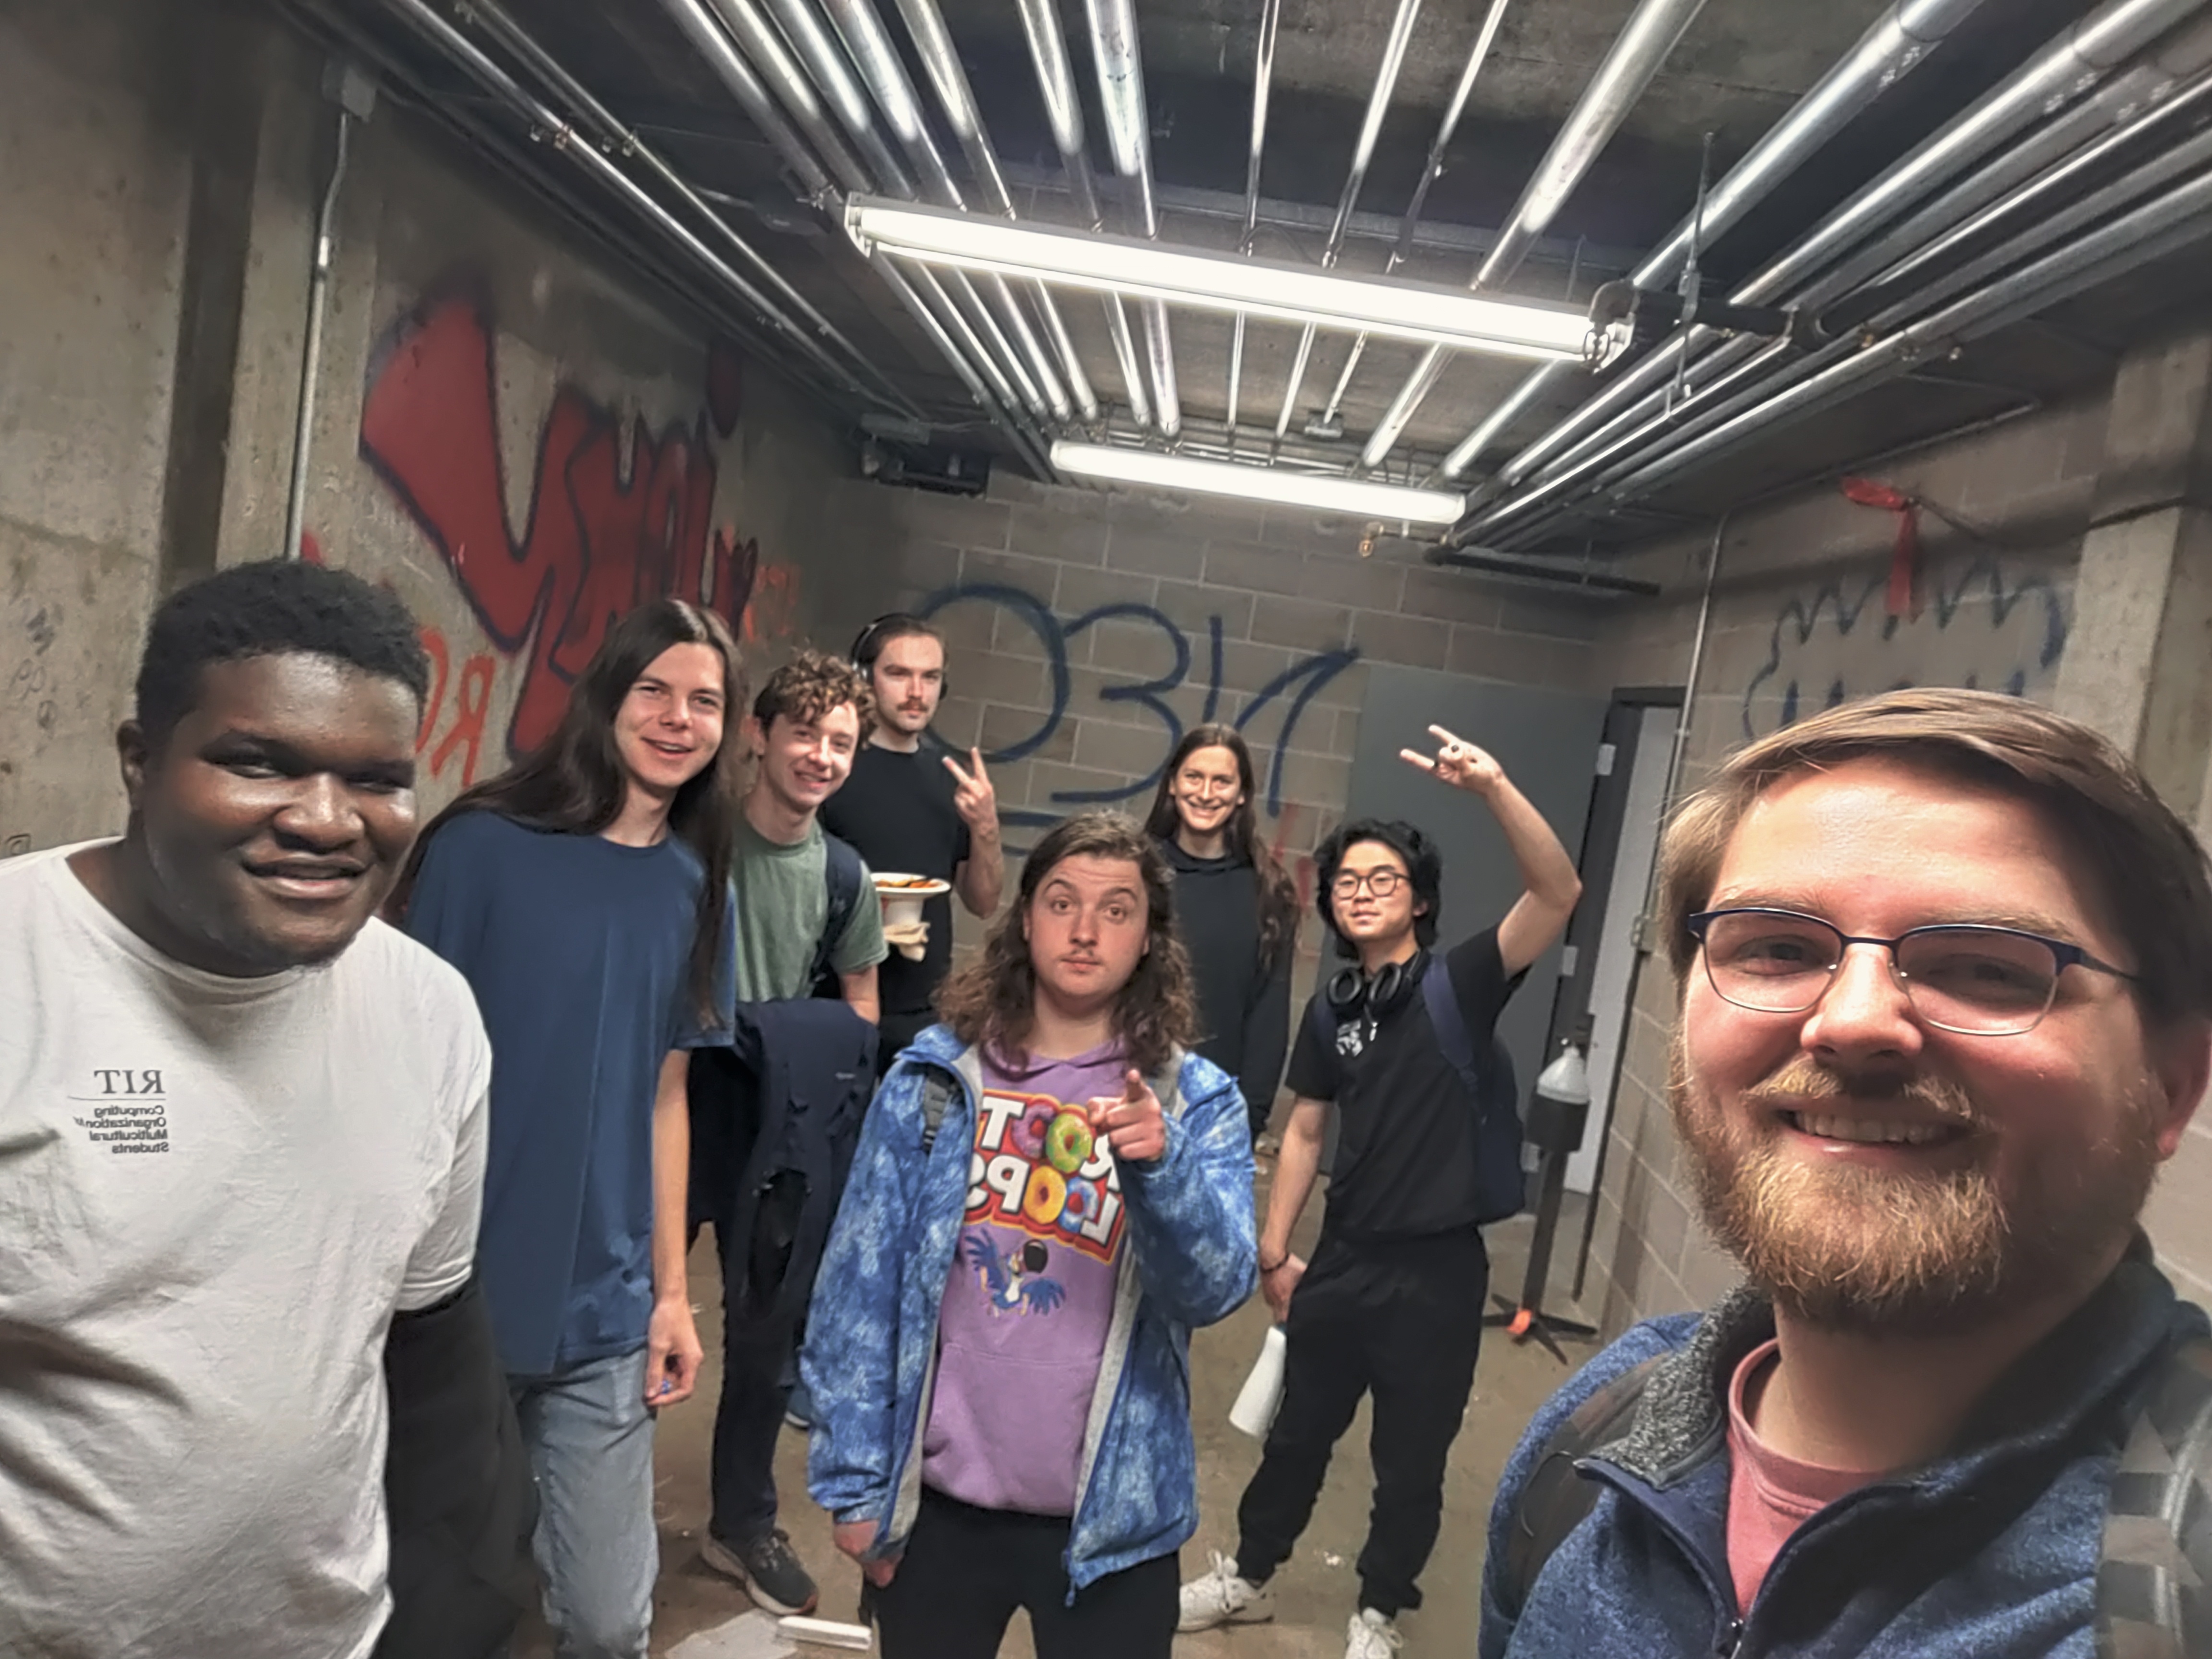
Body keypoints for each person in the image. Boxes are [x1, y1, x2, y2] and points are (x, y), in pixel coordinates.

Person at [1480, 688, 2212, 1659]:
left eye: (1990, 965)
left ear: (2170, 1087)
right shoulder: (1594, 1442)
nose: (1855, 1022)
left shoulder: (2164, 1603)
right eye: (1779, 948)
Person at [0, 560, 507, 1659]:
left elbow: (427, 1356)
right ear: (140, 760)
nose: (328, 820)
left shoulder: (432, 1015)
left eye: (377, 778)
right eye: (257, 762)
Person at [804, 811, 1258, 1659]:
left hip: (1112, 1524)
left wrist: (1161, 1169)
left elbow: (1215, 1288)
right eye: (1061, 902)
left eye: (1116, 910)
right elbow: (856, 1292)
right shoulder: (937, 1083)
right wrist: (854, 1486)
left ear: (1151, 938)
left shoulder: (1196, 1104)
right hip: (937, 1508)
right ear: (1023, 919)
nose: (1085, 931)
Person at [1181, 726, 1583, 1659]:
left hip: (1437, 1276)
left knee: (1410, 1465)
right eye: (1347, 882)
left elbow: (1558, 892)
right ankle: (1247, 1572)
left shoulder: (1464, 982)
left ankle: (1377, 1613)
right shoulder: (1334, 1010)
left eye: (1382, 880)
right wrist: (1276, 1247)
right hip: (1345, 1258)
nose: (1360, 893)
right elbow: (1307, 1128)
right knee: (1295, 1439)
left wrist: (1493, 787)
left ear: (1422, 899)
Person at [395, 598, 742, 1659]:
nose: (678, 719)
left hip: (605, 1309)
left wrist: (674, 1297)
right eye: (655, 691)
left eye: (706, 701)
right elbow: (396, 1067)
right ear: (607, 697)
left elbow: (666, 1094)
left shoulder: (694, 890)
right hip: (452, 1299)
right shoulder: (480, 850)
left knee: (607, 1620)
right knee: (435, 1608)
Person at [696, 647, 889, 1618]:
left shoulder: (845, 877)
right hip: (676, 1089)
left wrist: (817, 1067)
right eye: (804, 732)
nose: (821, 754)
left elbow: (863, 1002)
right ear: (758, 735)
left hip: (773, 1114)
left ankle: (740, 1518)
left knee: (767, 1331)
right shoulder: (694, 841)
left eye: (841, 741)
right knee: (613, 1301)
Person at [821, 613, 1005, 1074]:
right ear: (865, 678)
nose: (916, 692)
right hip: (831, 1003)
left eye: (930, 677)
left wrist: (985, 826)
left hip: (923, 1012)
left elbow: (983, 902)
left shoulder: (951, 778)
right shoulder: (831, 768)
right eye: (899, 674)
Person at [1143, 724, 1298, 1145]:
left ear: (1242, 794)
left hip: (1211, 1111)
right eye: (1194, 777)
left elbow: (1269, 1020)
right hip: (1122, 1093)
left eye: (1222, 781)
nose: (1206, 793)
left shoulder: (1269, 892)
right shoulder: (1136, 873)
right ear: (1173, 784)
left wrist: (1248, 1122)